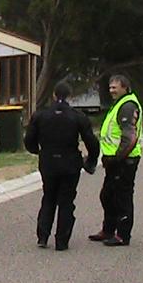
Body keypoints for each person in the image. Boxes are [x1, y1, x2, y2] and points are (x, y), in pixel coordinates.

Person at [24, 81, 100, 251]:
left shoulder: (40, 115)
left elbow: (29, 140)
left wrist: (38, 151)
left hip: (48, 161)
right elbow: (92, 142)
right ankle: (62, 240)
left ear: (53, 95)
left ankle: (43, 236)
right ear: (70, 96)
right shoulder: (77, 116)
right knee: (66, 201)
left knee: (48, 197)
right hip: (70, 162)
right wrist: (91, 160)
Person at [88, 74, 143, 247]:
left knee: (122, 197)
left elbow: (130, 138)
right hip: (113, 160)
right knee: (107, 196)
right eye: (110, 87)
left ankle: (122, 235)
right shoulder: (119, 104)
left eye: (115, 87)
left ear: (125, 88)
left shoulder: (127, 106)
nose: (111, 90)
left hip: (124, 161)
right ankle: (108, 230)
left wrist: (118, 158)